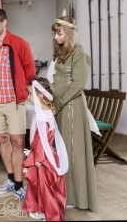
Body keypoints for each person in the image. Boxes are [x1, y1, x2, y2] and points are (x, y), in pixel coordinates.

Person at [0, 8, 36, 199]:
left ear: (5, 22)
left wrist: (27, 88)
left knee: (18, 141)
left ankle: (20, 185)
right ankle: (12, 179)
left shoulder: (19, 44)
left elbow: (30, 70)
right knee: (3, 139)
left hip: (14, 101)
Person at [47, 16, 97, 211]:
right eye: (55, 33)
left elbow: (78, 84)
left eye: (58, 33)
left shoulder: (79, 52)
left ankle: (77, 197)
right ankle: (65, 193)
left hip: (71, 106)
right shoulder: (61, 51)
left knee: (72, 151)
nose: (55, 37)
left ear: (68, 34)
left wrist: (58, 102)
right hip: (61, 106)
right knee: (63, 150)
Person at [22, 78, 68, 221]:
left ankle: (48, 212)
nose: (27, 97)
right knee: (41, 185)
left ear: (40, 95)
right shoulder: (46, 112)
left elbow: (40, 141)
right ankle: (40, 208)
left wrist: (36, 158)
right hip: (45, 155)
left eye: (29, 94)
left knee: (44, 186)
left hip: (42, 158)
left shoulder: (43, 117)